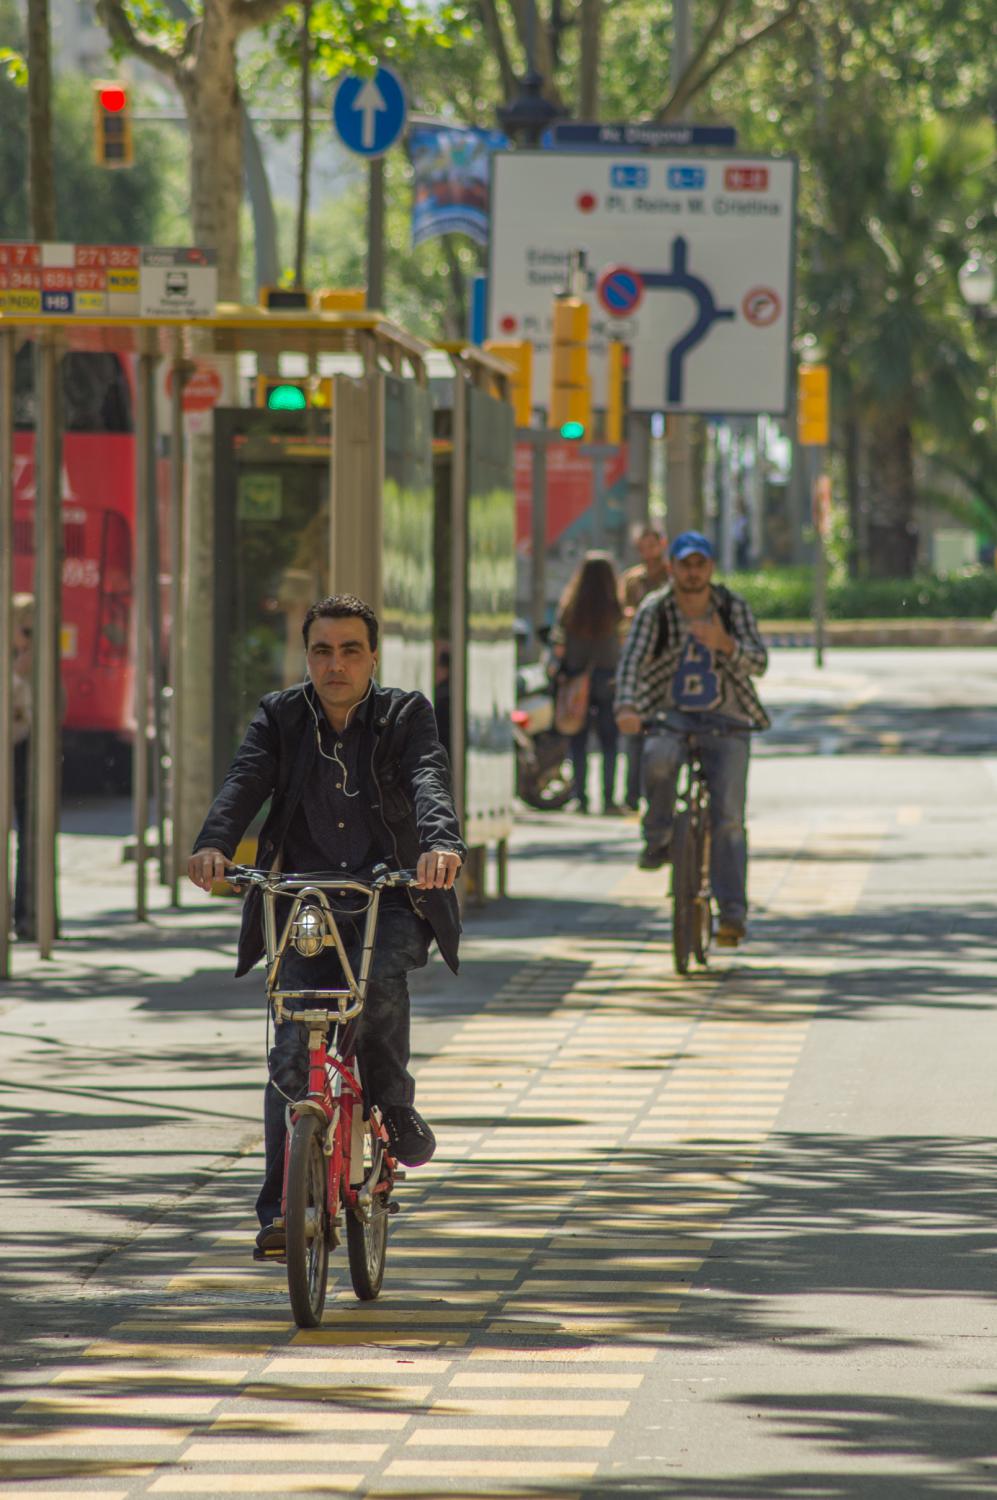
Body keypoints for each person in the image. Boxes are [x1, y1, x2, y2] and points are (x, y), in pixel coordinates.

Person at [187, 593, 466, 1257]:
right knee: (291, 1046)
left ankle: (392, 1106)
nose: (334, 664)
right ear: (305, 654)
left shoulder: (406, 714)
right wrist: (213, 845)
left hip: (390, 891)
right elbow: (244, 782)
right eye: (321, 650)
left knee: (378, 982)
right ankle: (281, 1211)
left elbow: (428, 780)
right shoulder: (280, 715)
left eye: (348, 650)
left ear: (372, 656)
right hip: (303, 899)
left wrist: (439, 845)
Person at [615, 531, 769, 947]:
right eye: (686, 564)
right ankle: (660, 835)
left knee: (729, 818)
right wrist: (627, 708)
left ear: (711, 567)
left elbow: (760, 661)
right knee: (659, 757)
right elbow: (631, 664)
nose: (693, 572)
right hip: (671, 716)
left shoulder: (731, 608)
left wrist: (726, 644)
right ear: (673, 567)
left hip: (728, 720)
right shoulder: (656, 609)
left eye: (701, 564)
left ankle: (732, 913)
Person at [551, 552, 622, 816]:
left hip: (576, 681)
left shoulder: (571, 608)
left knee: (578, 741)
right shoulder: (615, 607)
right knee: (609, 742)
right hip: (608, 679)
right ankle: (609, 799)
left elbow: (558, 645)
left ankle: (580, 797)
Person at [618, 525, 670, 810]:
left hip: (666, 665)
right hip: (638, 662)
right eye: (644, 546)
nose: (649, 551)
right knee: (634, 735)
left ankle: (661, 796)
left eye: (653, 545)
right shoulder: (632, 580)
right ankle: (631, 795)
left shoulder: (672, 577)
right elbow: (621, 617)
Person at [11, 595, 33, 940]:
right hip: (14, 747)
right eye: (27, 629)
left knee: (28, 836)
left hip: (25, 746)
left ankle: (23, 912)